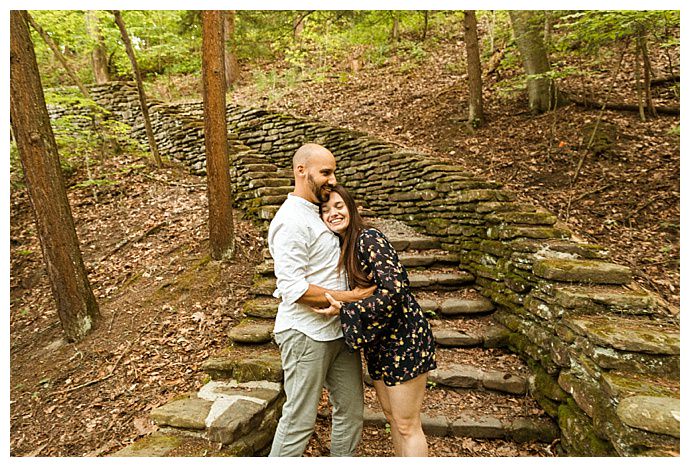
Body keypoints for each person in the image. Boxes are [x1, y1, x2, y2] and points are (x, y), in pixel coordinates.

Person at [267, 143, 375, 457]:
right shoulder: (290, 220)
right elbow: (293, 288)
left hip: (338, 332)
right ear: (301, 171)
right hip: (304, 334)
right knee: (300, 419)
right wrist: (352, 297)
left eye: (333, 172)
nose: (332, 178)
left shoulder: (317, 210)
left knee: (351, 412)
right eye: (325, 172)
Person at [316, 184, 437, 457]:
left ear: (351, 207)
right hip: (380, 344)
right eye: (325, 210)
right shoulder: (346, 245)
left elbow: (395, 291)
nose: (333, 213)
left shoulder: (368, 238)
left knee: (407, 424)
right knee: (393, 417)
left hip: (404, 340)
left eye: (339, 206)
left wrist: (345, 309)